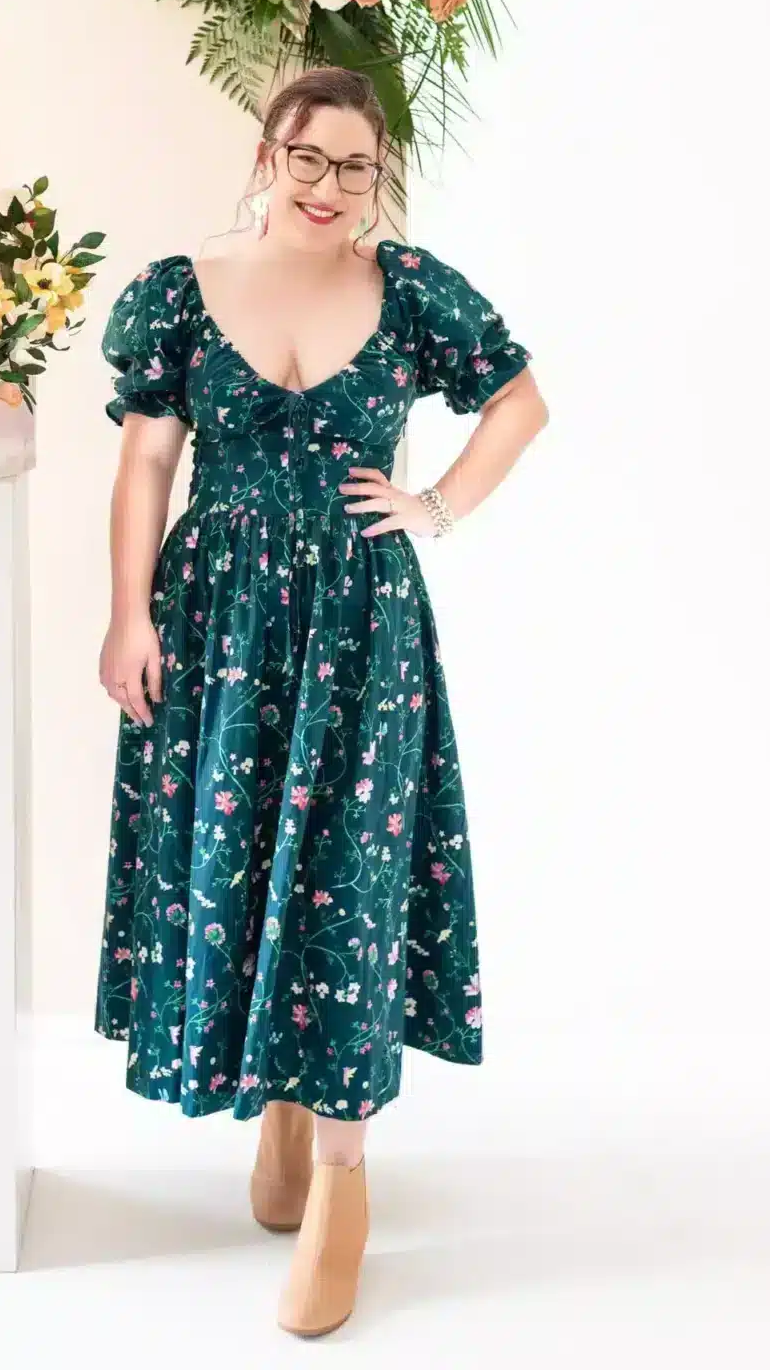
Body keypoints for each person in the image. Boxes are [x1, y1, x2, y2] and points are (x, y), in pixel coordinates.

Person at [95, 65, 549, 1337]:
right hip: (219, 626)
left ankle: (341, 1178)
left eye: (357, 168)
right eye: (312, 159)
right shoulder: (181, 290)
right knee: (242, 862)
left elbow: (521, 398)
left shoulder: (407, 289)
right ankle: (280, 1118)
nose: (331, 189)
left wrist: (434, 505)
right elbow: (145, 457)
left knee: (348, 879)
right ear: (269, 150)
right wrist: (129, 612)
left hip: (362, 628)